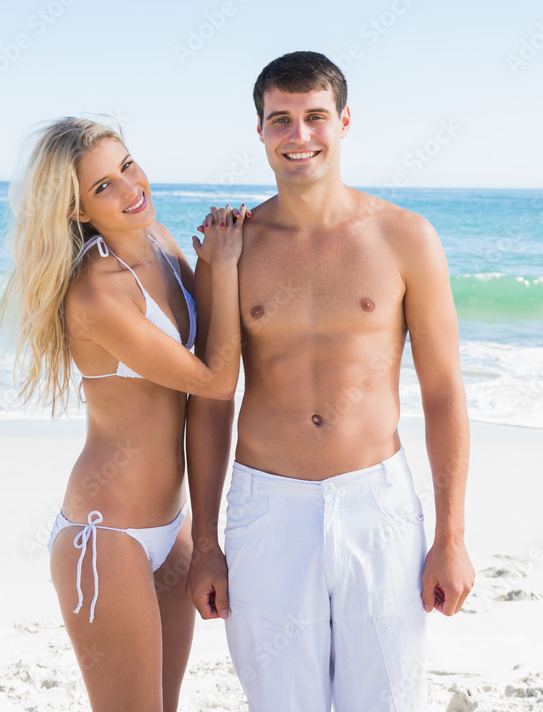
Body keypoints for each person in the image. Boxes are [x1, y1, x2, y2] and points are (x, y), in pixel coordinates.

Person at [186, 52, 475, 712]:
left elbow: (442, 393)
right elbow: (210, 398)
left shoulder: (405, 237)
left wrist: (450, 538)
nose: (299, 135)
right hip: (265, 506)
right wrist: (205, 544)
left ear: (343, 122)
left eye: (315, 117)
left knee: (387, 701)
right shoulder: (229, 247)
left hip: (378, 501)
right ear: (259, 131)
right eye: (280, 120)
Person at [0, 117, 245, 712]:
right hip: (105, 539)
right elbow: (214, 378)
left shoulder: (158, 240)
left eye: (127, 166)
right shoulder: (96, 294)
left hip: (172, 527)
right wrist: (230, 267)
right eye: (103, 187)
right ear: (79, 210)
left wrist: (212, 263)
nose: (131, 189)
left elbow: (209, 337)